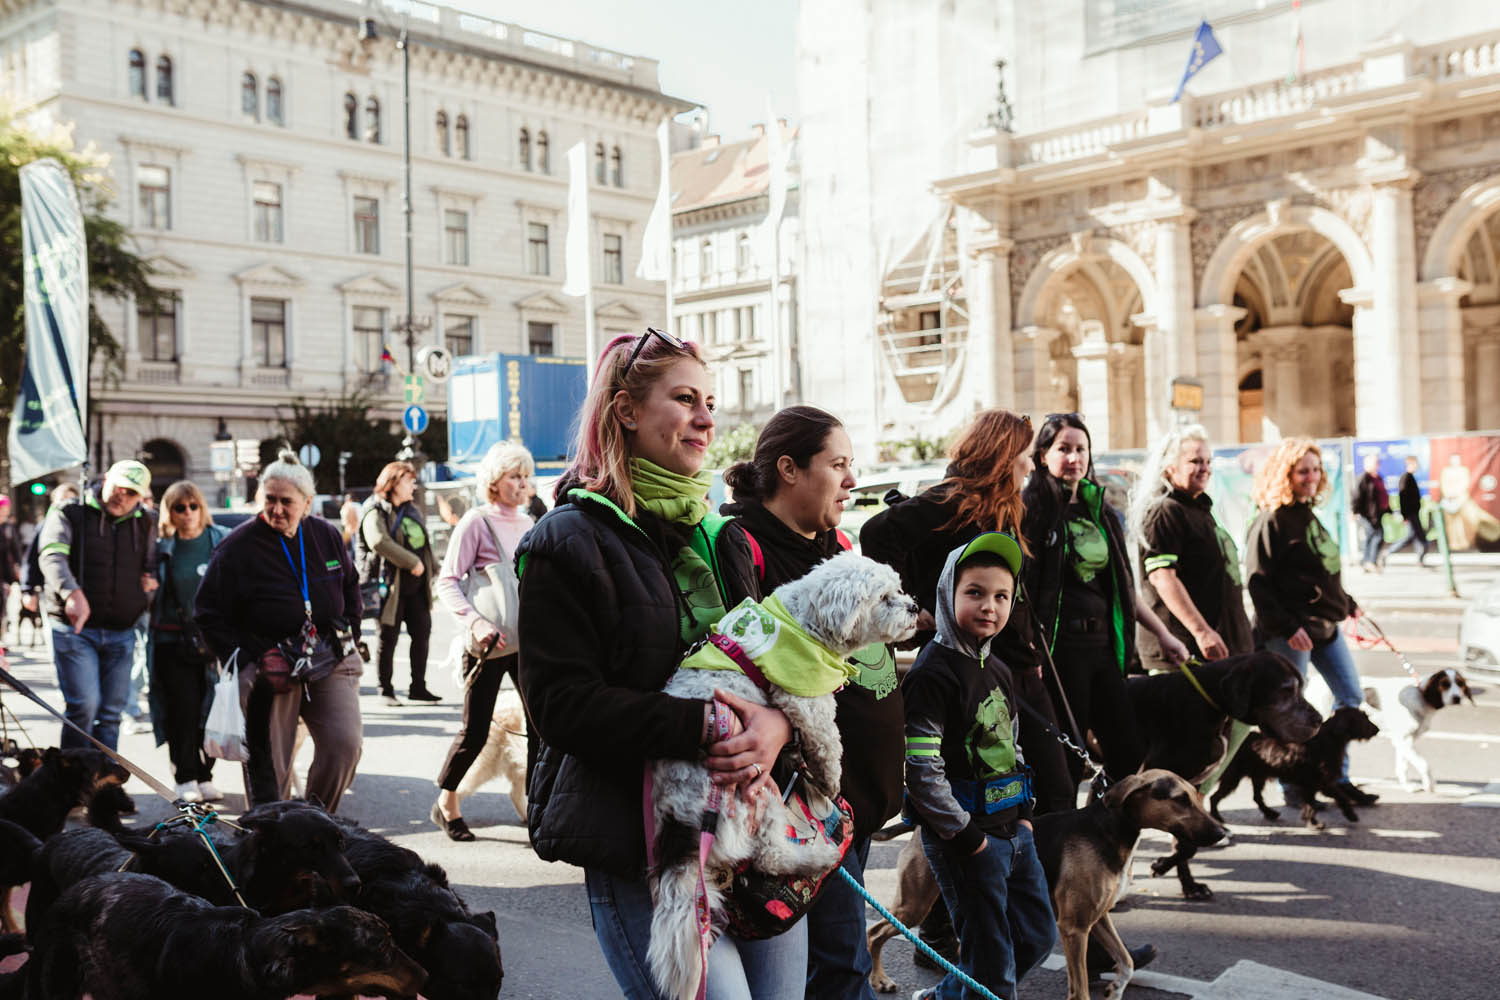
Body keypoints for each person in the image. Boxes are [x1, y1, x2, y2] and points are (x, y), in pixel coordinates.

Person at [516, 328, 800, 1000]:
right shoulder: (566, 540)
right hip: (641, 847)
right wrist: (701, 725)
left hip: (751, 836)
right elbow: (562, 707)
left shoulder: (722, 536)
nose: (707, 417)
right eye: (685, 399)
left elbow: (775, 669)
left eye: (710, 400)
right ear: (625, 410)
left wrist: (777, 728)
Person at [859, 408, 1077, 968]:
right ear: (1005, 454)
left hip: (1007, 665)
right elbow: (876, 533)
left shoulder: (1004, 507)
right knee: (983, 787)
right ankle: (966, 929)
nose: (1031, 465)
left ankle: (987, 924)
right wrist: (918, 612)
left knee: (1036, 784)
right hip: (965, 666)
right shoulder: (950, 499)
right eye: (1025, 455)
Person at [719, 405, 887, 1000]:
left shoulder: (837, 543)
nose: (852, 479)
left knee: (841, 963)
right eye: (838, 464)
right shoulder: (740, 544)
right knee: (842, 967)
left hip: (854, 801)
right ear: (789, 469)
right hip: (801, 802)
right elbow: (749, 669)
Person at [902, 532, 1055, 1000]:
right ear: (948, 594)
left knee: (1035, 938)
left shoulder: (1000, 668)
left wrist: (1027, 816)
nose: (990, 605)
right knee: (992, 967)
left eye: (1002, 596)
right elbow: (921, 768)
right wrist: (967, 839)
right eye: (975, 593)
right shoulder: (932, 672)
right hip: (967, 839)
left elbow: (1012, 744)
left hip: (1014, 830)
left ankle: (946, 997)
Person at [1021, 413, 1188, 792]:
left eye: (1081, 449)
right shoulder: (1031, 509)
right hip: (1058, 653)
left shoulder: (1102, 511)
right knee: (1063, 759)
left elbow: (1124, 588)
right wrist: (1029, 649)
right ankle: (1059, 839)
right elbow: (1022, 589)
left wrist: (1163, 634)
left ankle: (1100, 826)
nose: (1074, 457)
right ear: (1043, 454)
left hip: (1105, 649)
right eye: (1063, 449)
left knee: (1127, 752)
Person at [196, 450, 364, 812]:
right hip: (269, 667)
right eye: (269, 499)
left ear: (306, 502)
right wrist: (254, 656)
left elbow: (350, 585)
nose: (276, 509)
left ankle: (315, 821)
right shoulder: (236, 547)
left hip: (326, 656)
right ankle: (271, 831)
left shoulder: (326, 535)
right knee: (270, 767)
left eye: (286, 501)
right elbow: (207, 614)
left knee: (344, 744)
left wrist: (351, 631)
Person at [1245, 437, 1378, 807]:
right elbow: (1257, 583)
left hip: (1326, 627)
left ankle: (1337, 776)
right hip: (1291, 632)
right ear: (1285, 474)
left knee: (1350, 696)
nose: (1311, 477)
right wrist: (1288, 628)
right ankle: (1294, 783)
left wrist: (1347, 603)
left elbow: (1320, 572)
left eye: (1316, 470)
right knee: (1292, 709)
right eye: (1303, 470)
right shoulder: (1270, 520)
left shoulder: (1308, 514)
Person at [432, 440, 536, 841]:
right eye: (514, 476)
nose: (521, 483)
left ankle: (536, 807)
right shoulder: (476, 521)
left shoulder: (529, 523)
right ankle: (447, 803)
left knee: (539, 728)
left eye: (525, 477)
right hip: (489, 646)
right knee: (475, 731)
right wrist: (475, 623)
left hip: (527, 644)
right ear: (494, 480)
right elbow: (447, 582)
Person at [38, 460, 158, 750]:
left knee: (111, 714)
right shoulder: (70, 511)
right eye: (119, 487)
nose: (123, 496)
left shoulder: (145, 521)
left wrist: (149, 582)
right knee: (84, 708)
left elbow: (150, 562)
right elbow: (51, 555)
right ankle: (72, 785)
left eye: (132, 493)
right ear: (105, 480)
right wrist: (72, 592)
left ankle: (103, 786)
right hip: (76, 631)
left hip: (122, 630)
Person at [1126, 424, 1253, 667]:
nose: (1205, 468)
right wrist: (1202, 631)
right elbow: (1163, 578)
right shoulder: (1165, 511)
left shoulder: (1199, 508)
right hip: (1182, 651)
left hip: (1218, 647)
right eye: (1195, 461)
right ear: (1169, 467)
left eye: (1207, 461)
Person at [149, 481, 230, 803]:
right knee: (182, 709)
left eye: (193, 506)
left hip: (213, 641)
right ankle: (185, 776)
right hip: (172, 639)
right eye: (179, 508)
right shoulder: (162, 547)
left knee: (211, 711)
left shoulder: (219, 540)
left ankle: (205, 773)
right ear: (169, 512)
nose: (187, 514)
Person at [361, 462, 440, 706]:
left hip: (416, 586)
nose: (413, 486)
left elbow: (423, 542)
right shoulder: (375, 509)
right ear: (393, 483)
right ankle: (385, 689)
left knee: (422, 633)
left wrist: (434, 568)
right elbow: (379, 541)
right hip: (389, 585)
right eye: (409, 481)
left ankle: (418, 687)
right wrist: (412, 561)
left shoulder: (411, 509)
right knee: (388, 637)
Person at [21, 483, 80, 619]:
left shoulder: (85, 527)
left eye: (71, 500)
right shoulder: (45, 525)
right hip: (51, 594)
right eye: (62, 501)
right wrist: (28, 590)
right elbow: (31, 559)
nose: (66, 505)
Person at [1386, 456, 1430, 566]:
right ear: (1409, 464)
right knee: (1410, 537)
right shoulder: (1405, 478)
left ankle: (1420, 559)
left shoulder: (1411, 477)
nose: (1417, 466)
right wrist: (1405, 516)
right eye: (1415, 464)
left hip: (1414, 513)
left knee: (1419, 537)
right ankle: (1387, 552)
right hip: (1410, 514)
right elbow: (1403, 497)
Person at [1353, 453, 1390, 572]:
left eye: (1378, 463)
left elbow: (1382, 495)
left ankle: (1367, 562)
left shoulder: (1378, 478)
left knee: (1372, 536)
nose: (1377, 465)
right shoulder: (1363, 478)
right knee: (1376, 535)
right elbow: (1356, 496)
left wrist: (1388, 509)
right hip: (1367, 514)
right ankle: (1371, 561)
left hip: (1378, 513)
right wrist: (1354, 511)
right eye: (1375, 463)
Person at [0, 497, 20, 641]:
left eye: (6, 510)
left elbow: (15, 549)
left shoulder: (8, 527)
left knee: (3, 607)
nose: (4, 513)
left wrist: (17, 568)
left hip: (4, 573)